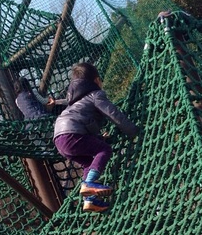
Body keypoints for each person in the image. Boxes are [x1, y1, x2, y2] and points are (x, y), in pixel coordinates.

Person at [53, 62, 140, 213]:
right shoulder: (95, 95)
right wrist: (132, 130)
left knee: (89, 163)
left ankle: (89, 200)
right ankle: (90, 184)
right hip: (71, 134)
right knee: (104, 150)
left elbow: (83, 122)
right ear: (96, 81)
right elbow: (112, 113)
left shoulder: (75, 102)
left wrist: (98, 137)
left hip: (59, 139)